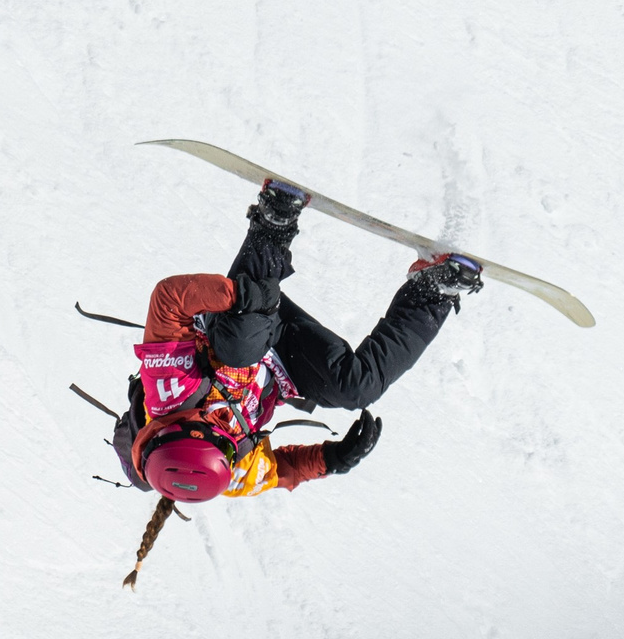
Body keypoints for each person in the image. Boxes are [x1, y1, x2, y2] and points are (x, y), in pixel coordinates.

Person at [114, 179, 481, 585]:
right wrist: (332, 459)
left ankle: (274, 221)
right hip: (280, 357)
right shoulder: (234, 471)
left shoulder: (169, 391)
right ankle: (433, 288)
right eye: (223, 438)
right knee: (356, 388)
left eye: (205, 429)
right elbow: (281, 469)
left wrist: (237, 297)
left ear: (177, 429)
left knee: (240, 349)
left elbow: (168, 298)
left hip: (237, 315)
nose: (219, 428)